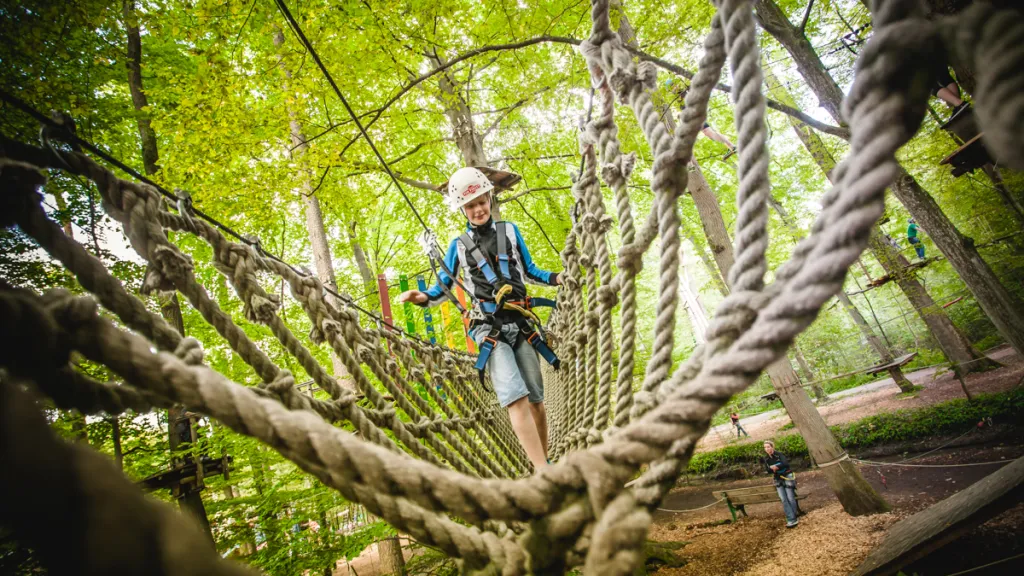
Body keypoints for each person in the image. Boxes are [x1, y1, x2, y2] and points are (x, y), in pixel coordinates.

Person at [398, 167, 563, 471]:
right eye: (470, 205)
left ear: (489, 198)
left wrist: (557, 278)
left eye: (481, 202)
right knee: (516, 397)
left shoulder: (510, 231)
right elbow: (442, 288)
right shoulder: (458, 246)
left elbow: (530, 271)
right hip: (488, 329)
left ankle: (546, 458)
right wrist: (421, 298)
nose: (477, 209)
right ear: (462, 209)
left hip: (521, 324)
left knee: (536, 399)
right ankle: (543, 471)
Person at [665, 77, 737, 152]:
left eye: (673, 86)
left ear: (676, 84)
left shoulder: (685, 90)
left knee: (708, 132)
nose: (673, 89)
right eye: (671, 88)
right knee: (708, 133)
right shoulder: (678, 99)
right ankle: (730, 146)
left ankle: (731, 145)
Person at [763, 440, 800, 528]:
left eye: (768, 447)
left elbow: (786, 464)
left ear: (772, 447)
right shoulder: (766, 459)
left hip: (787, 476)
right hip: (777, 478)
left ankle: (793, 518)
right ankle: (791, 519)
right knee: (783, 499)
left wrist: (777, 466)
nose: (767, 449)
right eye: (765, 447)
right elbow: (767, 470)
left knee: (790, 497)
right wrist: (772, 469)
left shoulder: (779, 454)